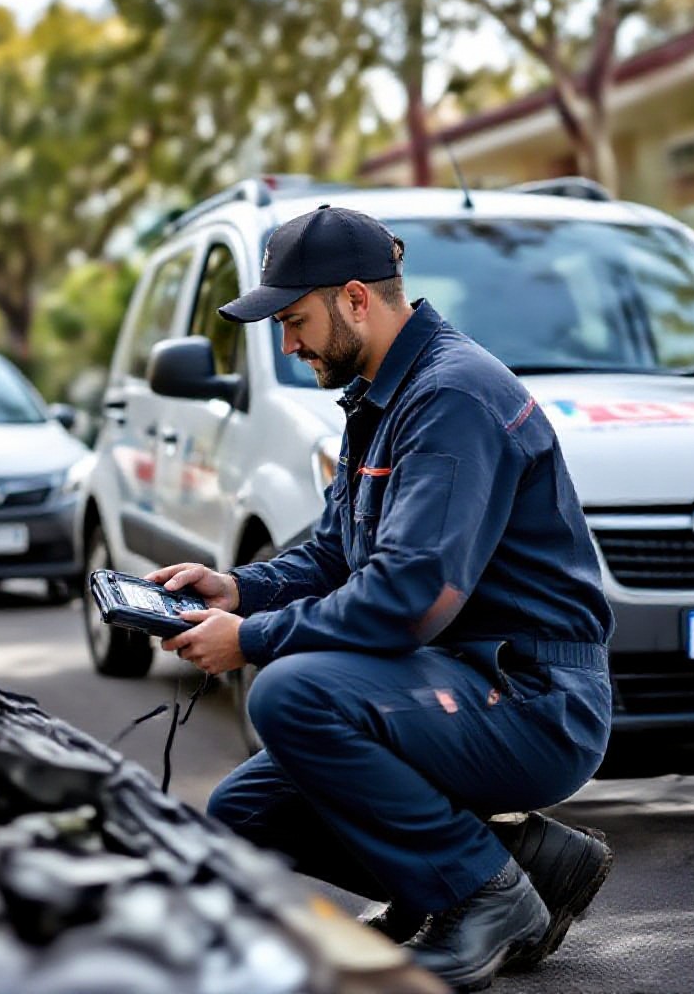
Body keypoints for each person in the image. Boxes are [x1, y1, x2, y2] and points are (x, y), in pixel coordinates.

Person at [148, 205, 614, 991]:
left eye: (295, 321)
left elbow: (410, 597)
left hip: (533, 699)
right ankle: (518, 867)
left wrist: (251, 639)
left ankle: (482, 895)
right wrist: (237, 587)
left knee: (291, 694)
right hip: (452, 682)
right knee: (245, 815)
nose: (288, 345)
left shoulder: (453, 398)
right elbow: (337, 553)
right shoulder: (382, 395)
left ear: (357, 299)